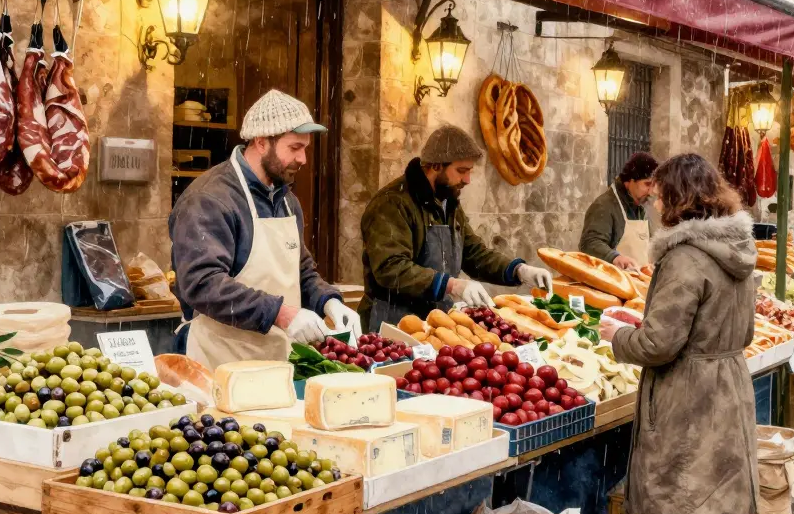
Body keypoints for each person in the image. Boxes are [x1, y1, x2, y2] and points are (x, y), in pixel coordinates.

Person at [598, 153, 757, 514]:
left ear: (678, 199)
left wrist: (619, 334)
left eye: (660, 193)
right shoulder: (737, 252)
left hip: (690, 404)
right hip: (728, 393)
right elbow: (741, 330)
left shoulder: (686, 259)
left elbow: (658, 345)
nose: (653, 202)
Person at [169, 90, 358, 368]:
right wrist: (281, 313)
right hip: (221, 364)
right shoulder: (209, 199)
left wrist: (328, 301)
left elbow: (301, 270)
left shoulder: (287, 200)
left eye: (305, 148)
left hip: (278, 362)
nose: (303, 159)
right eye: (294, 148)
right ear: (260, 142)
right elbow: (201, 284)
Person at [359, 125, 553, 331]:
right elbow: (391, 268)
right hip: (392, 322)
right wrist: (452, 285)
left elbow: (473, 253)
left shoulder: (448, 202)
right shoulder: (391, 204)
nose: (467, 180)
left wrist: (517, 271)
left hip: (437, 321)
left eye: (469, 171)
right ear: (435, 166)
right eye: (461, 171)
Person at [580, 152, 658, 270]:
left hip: (639, 283)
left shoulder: (641, 207)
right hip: (612, 283)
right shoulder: (604, 206)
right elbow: (589, 243)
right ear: (630, 181)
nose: (650, 191)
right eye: (647, 184)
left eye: (653, 186)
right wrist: (614, 257)